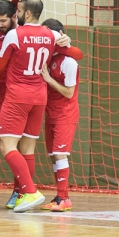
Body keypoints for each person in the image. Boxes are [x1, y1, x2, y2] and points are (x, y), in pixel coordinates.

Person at [0, 0, 67, 213]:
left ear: (28, 13)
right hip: (39, 97)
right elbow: (73, 53)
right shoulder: (52, 34)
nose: (16, 14)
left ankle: (30, 191)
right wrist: (67, 40)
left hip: (17, 97)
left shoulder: (15, 34)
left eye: (19, 11)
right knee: (28, 149)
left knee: (7, 146)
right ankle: (24, 195)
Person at [39, 18, 80, 212]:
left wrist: (48, 79)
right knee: (54, 156)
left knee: (60, 154)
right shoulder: (50, 56)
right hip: (51, 113)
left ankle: (63, 198)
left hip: (65, 114)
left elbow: (69, 93)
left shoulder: (69, 62)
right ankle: (61, 197)